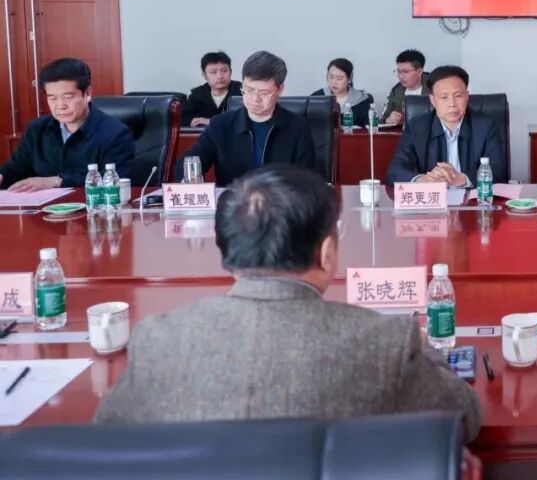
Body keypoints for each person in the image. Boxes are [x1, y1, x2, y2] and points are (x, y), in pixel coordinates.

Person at [94, 165, 481, 437]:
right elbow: (465, 419)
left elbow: (108, 437)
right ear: (327, 252)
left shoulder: (159, 340)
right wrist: (425, 350)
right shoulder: (383, 342)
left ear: (226, 252)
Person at [174, 51, 315, 186]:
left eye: (264, 92)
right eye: (249, 90)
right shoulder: (221, 124)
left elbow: (306, 180)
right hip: (234, 200)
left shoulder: (298, 128)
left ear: (280, 89)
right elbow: (190, 161)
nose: (255, 99)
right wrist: (188, 177)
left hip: (279, 200)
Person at [0, 58, 133, 191]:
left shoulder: (115, 133)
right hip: (42, 203)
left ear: (87, 93)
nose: (60, 105)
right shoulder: (36, 130)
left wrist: (58, 181)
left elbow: (115, 180)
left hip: (88, 203)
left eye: (68, 97)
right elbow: (16, 168)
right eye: (52, 98)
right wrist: (2, 176)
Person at [387, 65, 507, 186]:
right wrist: (423, 180)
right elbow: (395, 171)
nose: (452, 104)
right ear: (433, 100)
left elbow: (499, 171)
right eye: (444, 97)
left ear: (467, 96)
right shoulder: (417, 127)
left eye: (458, 96)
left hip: (472, 195)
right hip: (433, 195)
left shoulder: (485, 125)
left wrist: (462, 179)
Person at [181, 51, 243, 128]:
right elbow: (183, 117)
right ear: (204, 76)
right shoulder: (197, 94)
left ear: (230, 72)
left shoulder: (243, 91)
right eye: (213, 72)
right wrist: (192, 121)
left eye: (224, 71)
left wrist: (211, 121)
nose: (220, 76)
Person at [311, 58, 373, 127]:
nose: (334, 82)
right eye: (331, 77)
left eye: (339, 79)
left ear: (350, 78)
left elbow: (369, 127)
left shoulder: (361, 100)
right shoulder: (317, 98)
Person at [382, 49, 429, 125]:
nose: (401, 76)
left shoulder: (435, 86)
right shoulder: (396, 91)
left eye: (406, 72)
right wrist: (388, 120)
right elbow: (383, 118)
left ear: (419, 71)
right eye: (399, 71)